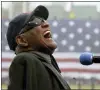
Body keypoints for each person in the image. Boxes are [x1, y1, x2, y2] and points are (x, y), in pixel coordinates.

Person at [7, 5, 71, 90]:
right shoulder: (24, 59)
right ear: (22, 40)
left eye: (43, 20)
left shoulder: (47, 62)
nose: (46, 24)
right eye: (36, 21)